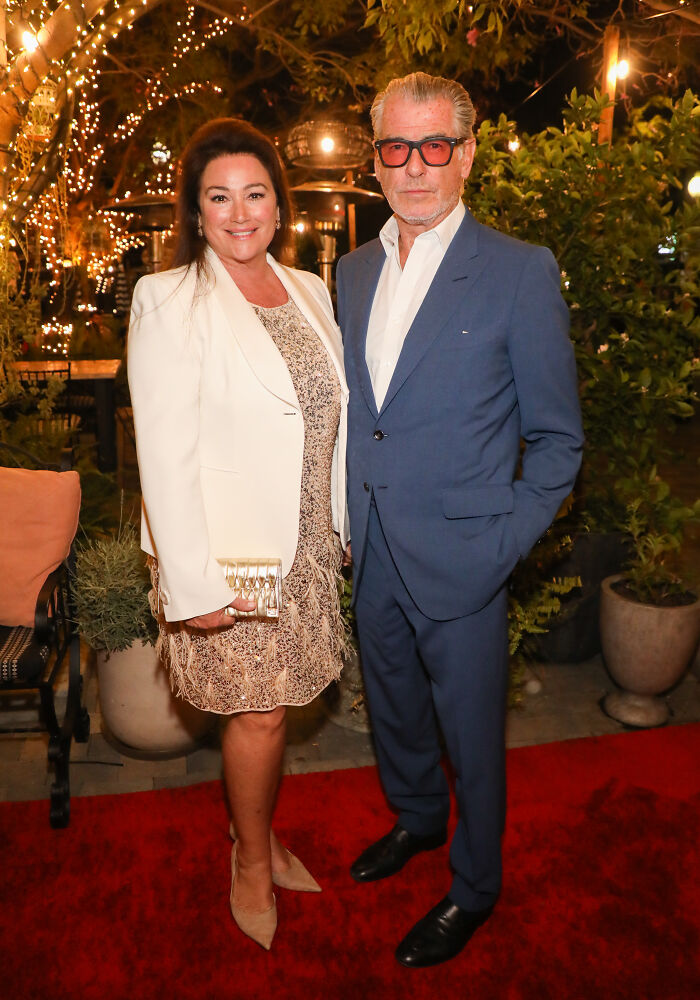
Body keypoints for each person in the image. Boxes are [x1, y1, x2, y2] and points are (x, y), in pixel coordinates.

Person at [336, 72, 584, 968]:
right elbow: (363, 411)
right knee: (395, 711)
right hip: (374, 548)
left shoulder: (519, 271)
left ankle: (475, 885)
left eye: (434, 146)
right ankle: (416, 821)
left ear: (468, 154)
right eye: (396, 149)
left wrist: (503, 544)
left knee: (473, 737)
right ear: (375, 159)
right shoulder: (352, 269)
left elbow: (559, 441)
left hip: (468, 557)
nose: (415, 168)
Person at [127, 118, 349, 951]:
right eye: (219, 196)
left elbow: (330, 422)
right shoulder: (169, 300)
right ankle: (250, 862)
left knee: (281, 707)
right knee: (255, 716)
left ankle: (255, 832)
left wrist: (341, 522)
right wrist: (194, 584)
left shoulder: (308, 290)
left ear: (279, 205)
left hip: (306, 547)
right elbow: (164, 452)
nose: (240, 211)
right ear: (196, 212)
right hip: (233, 556)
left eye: (255, 193)